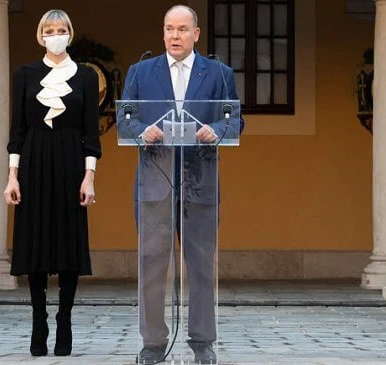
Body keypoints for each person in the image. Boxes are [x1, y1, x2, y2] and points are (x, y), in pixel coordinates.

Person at [121, 5, 244, 364]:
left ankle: (203, 341)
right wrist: (142, 131)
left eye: (182, 29)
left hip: (200, 180)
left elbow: (234, 120)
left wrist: (216, 131)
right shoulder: (140, 72)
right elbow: (124, 117)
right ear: (163, 33)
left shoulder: (218, 73)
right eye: (169, 29)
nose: (174, 36)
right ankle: (153, 343)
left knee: (202, 263)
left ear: (196, 34)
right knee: (152, 262)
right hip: (155, 180)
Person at [3, 9, 101, 358]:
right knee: (35, 243)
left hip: (71, 162)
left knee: (68, 244)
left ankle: (64, 320)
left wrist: (89, 178)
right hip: (33, 162)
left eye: (61, 30)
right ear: (40, 35)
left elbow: (91, 133)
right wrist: (12, 176)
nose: (55, 35)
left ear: (70, 34)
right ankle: (39, 320)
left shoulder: (86, 76)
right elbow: (17, 130)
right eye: (49, 30)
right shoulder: (24, 74)